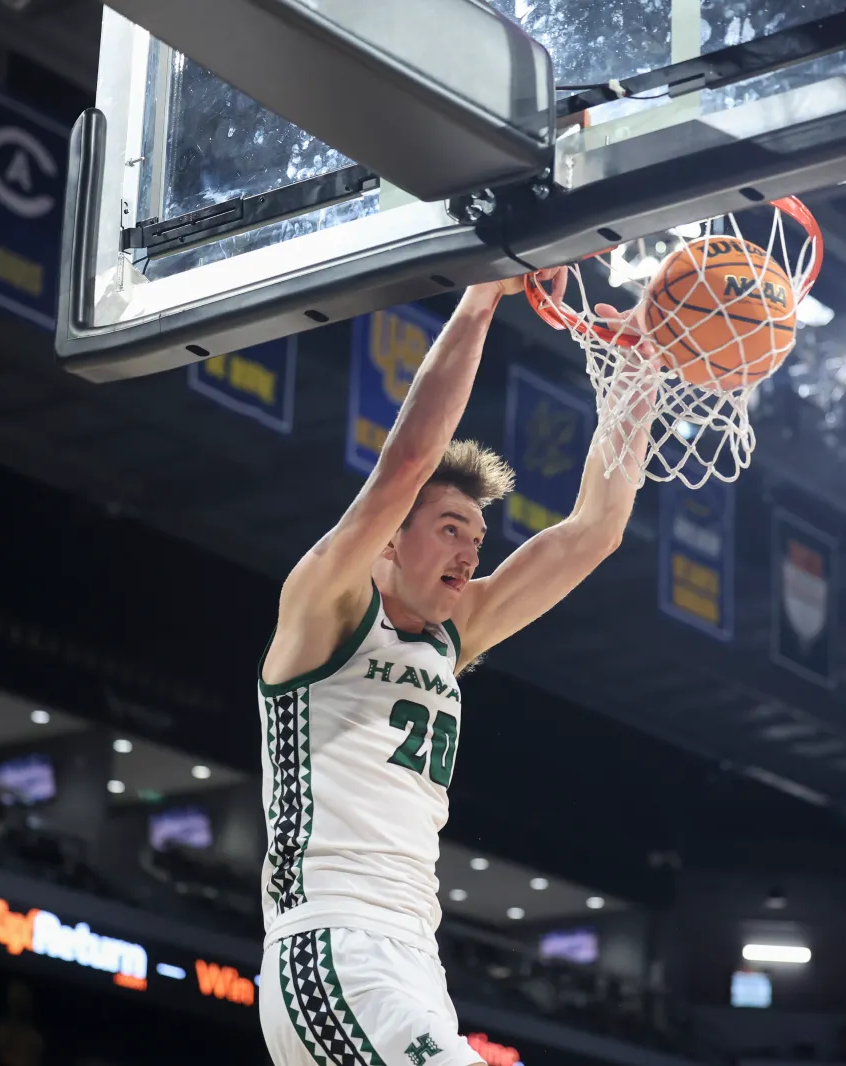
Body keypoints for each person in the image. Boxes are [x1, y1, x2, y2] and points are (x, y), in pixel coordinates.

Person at [258, 273, 651, 1066]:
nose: (472, 552)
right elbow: (406, 463)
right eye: (450, 528)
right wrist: (481, 301)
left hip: (414, 959)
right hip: (331, 941)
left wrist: (638, 374)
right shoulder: (326, 605)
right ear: (391, 541)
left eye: (478, 537)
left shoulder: (452, 635)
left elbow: (596, 530)